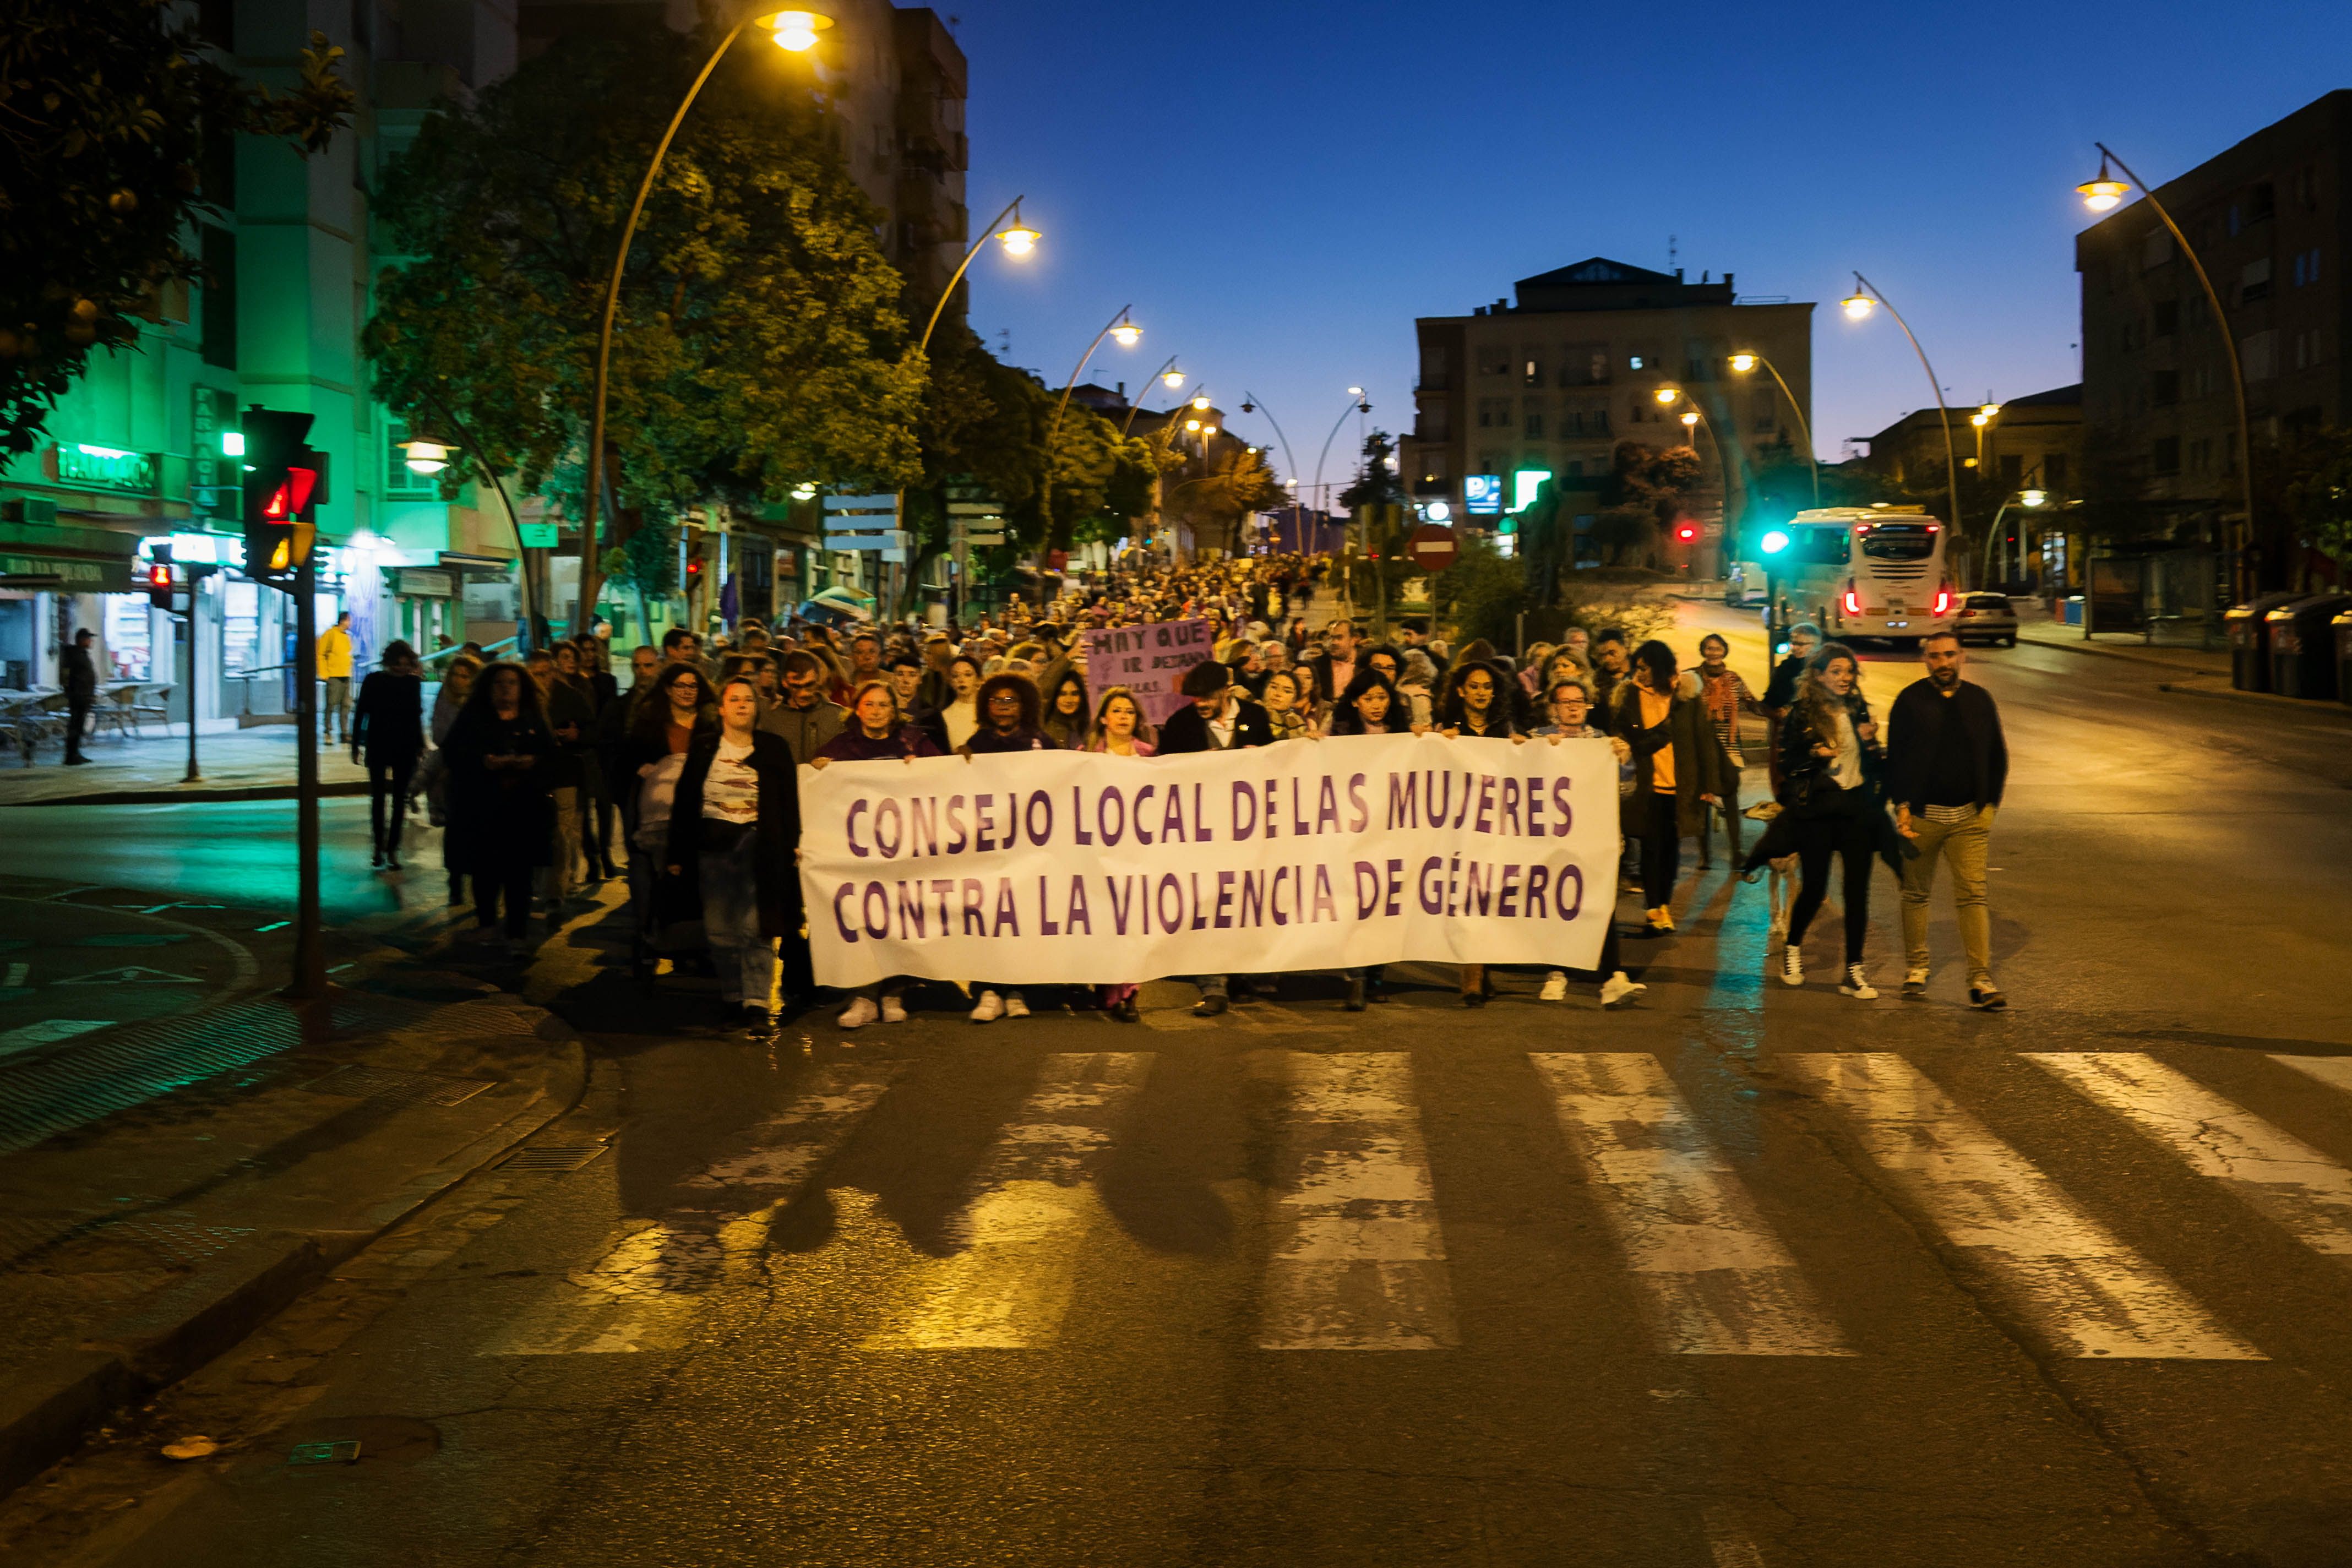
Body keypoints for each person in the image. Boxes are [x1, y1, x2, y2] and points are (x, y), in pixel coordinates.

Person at [666, 677, 804, 1034]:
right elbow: (685, 801)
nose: (742, 705)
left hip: (760, 850)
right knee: (720, 931)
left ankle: (757, 1004)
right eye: (735, 699)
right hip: (714, 850)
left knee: (756, 929)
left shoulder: (773, 748)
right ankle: (732, 998)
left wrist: (793, 845)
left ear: (756, 708)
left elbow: (789, 801)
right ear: (723, 708)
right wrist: (677, 852)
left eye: (748, 699)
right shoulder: (705, 748)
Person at [1886, 631, 2008, 1009]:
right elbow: (1896, 759)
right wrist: (1902, 807)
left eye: (1949, 655)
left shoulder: (1979, 700)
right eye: (1936, 657)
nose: (1943, 663)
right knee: (1916, 893)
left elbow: (1997, 756)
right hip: (1922, 819)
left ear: (1962, 656)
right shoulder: (1910, 701)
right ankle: (1917, 968)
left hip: (1969, 819)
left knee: (1973, 895)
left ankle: (1981, 980)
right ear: (1926, 660)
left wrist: (1989, 808)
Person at [812, 682, 943, 1029]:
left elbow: (946, 777)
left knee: (899, 919)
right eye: (869, 705)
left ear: (894, 710)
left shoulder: (914, 741)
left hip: (906, 849)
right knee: (862, 918)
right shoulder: (842, 746)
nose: (876, 711)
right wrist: (819, 769)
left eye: (883, 705)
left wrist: (925, 766)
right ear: (857, 709)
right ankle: (864, 996)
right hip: (859, 854)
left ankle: (894, 994)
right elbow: (816, 786)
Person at [1156, 660, 1273, 1015]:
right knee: (1209, 906)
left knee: (1246, 902)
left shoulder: (1257, 716)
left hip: (1249, 833)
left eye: (1206, 696)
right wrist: (1194, 765)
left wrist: (1266, 757)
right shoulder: (1180, 725)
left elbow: (1282, 765)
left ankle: (1245, 974)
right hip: (1201, 834)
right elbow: (1163, 774)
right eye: (1194, 697)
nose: (1200, 703)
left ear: (1226, 690)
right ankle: (1214, 986)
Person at [1774, 643, 1884, 999]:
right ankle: (1792, 950)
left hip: (1855, 809)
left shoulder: (1857, 707)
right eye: (1836, 671)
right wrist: (1814, 754)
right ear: (1818, 675)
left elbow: (1871, 762)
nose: (1844, 678)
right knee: (1816, 887)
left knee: (1857, 893)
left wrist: (1871, 743)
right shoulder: (1803, 713)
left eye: (1849, 671)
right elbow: (1787, 764)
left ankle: (1853, 970)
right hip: (1819, 809)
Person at [1529, 677, 1646, 1008]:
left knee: (1601, 904)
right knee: (1556, 902)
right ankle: (1556, 972)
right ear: (1554, 708)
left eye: (1580, 702)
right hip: (1552, 838)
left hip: (1595, 838)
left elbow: (1627, 792)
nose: (1575, 707)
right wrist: (1530, 749)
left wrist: (1624, 764)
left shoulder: (1604, 743)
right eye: (1567, 702)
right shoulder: (1539, 738)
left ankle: (1614, 977)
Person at [1608, 640, 1724, 936]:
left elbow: (1705, 743)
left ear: (1659, 667)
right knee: (1650, 848)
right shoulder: (1630, 696)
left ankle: (1665, 906)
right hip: (1645, 788)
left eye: (1645, 668)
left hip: (1681, 788)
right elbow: (1623, 735)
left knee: (1671, 851)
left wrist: (1709, 786)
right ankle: (1653, 909)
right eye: (1637, 667)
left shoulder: (1686, 698)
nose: (1639, 673)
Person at [442, 662, 552, 951]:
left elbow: (550, 755)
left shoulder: (532, 718)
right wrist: (483, 762)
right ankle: (487, 924)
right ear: (489, 688)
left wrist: (531, 763)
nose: (506, 688)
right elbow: (453, 753)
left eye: (512, 683)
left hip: (523, 809)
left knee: (520, 872)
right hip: (483, 807)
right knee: (485, 869)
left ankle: (517, 930)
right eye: (499, 683)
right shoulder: (474, 718)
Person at [620, 663, 712, 977]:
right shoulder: (649, 725)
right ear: (668, 689)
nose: (687, 691)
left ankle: (694, 946)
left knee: (698, 880)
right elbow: (626, 761)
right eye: (681, 685)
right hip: (659, 817)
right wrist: (641, 769)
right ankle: (657, 939)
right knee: (664, 878)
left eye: (693, 686)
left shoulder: (711, 725)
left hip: (701, 813)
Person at [526, 649, 595, 910]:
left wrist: (576, 735)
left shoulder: (570, 697)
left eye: (544, 674)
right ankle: (539, 884)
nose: (539, 680)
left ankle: (556, 890)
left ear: (553, 673)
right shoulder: (524, 699)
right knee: (537, 831)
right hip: (533, 774)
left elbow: (592, 728)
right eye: (535, 675)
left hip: (565, 772)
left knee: (563, 832)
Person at [351, 641, 425, 870]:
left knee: (399, 800)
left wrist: (420, 745)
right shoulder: (374, 680)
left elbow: (415, 716)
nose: (402, 669)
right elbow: (362, 712)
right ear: (390, 663)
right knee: (379, 799)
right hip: (379, 743)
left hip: (404, 746)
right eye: (398, 664)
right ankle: (379, 845)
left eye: (406, 665)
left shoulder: (413, 683)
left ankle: (392, 849)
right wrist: (355, 745)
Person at [1694, 632, 1763, 870]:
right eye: (1709, 648)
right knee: (1703, 801)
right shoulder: (1693, 678)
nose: (1713, 653)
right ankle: (1705, 856)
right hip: (1701, 747)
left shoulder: (1733, 679)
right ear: (1703, 651)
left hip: (1729, 746)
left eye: (1718, 648)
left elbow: (1751, 703)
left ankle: (1736, 852)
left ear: (1725, 651)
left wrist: (1775, 711)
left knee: (1731, 798)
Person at [759, 649, 847, 763]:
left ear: (818, 679)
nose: (803, 693)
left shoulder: (839, 716)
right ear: (784, 682)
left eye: (809, 685)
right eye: (796, 686)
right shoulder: (770, 719)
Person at [59, 628, 97, 765]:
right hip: (78, 696)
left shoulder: (82, 654)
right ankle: (71, 755)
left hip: (85, 696)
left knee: (79, 726)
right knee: (75, 726)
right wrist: (70, 692)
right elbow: (66, 676)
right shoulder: (74, 655)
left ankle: (76, 753)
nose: (90, 641)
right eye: (88, 638)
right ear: (82, 640)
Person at [318, 611, 355, 746]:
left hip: (346, 675)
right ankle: (328, 731)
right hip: (334, 675)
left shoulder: (347, 637)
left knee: (346, 705)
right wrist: (324, 673)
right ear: (343, 621)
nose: (350, 623)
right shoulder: (330, 634)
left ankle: (344, 732)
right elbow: (321, 654)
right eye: (349, 620)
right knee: (331, 704)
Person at [1041, 667, 1090, 750]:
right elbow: (1043, 687)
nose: (1069, 700)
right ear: (1054, 697)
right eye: (1062, 694)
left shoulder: (1091, 728)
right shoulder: (1043, 724)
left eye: (1075, 694)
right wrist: (1066, 657)